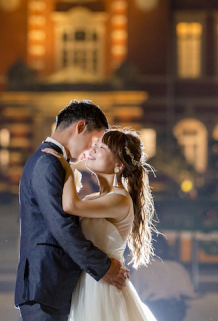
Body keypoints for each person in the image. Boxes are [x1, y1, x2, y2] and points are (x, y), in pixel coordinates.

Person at [15, 100, 128, 321]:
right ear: (80, 127)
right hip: (45, 282)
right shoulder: (48, 163)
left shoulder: (52, 161)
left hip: (50, 283)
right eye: (95, 141)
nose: (91, 151)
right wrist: (104, 267)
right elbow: (62, 226)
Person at [42, 127, 158, 321]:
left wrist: (66, 164)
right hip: (88, 280)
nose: (93, 150)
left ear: (118, 165)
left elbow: (70, 205)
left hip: (103, 286)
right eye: (95, 145)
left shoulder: (119, 199)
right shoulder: (94, 197)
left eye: (102, 147)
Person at [131, 236, 196, 321]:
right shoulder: (178, 268)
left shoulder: (142, 269)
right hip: (175, 312)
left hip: (151, 310)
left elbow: (134, 294)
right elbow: (189, 297)